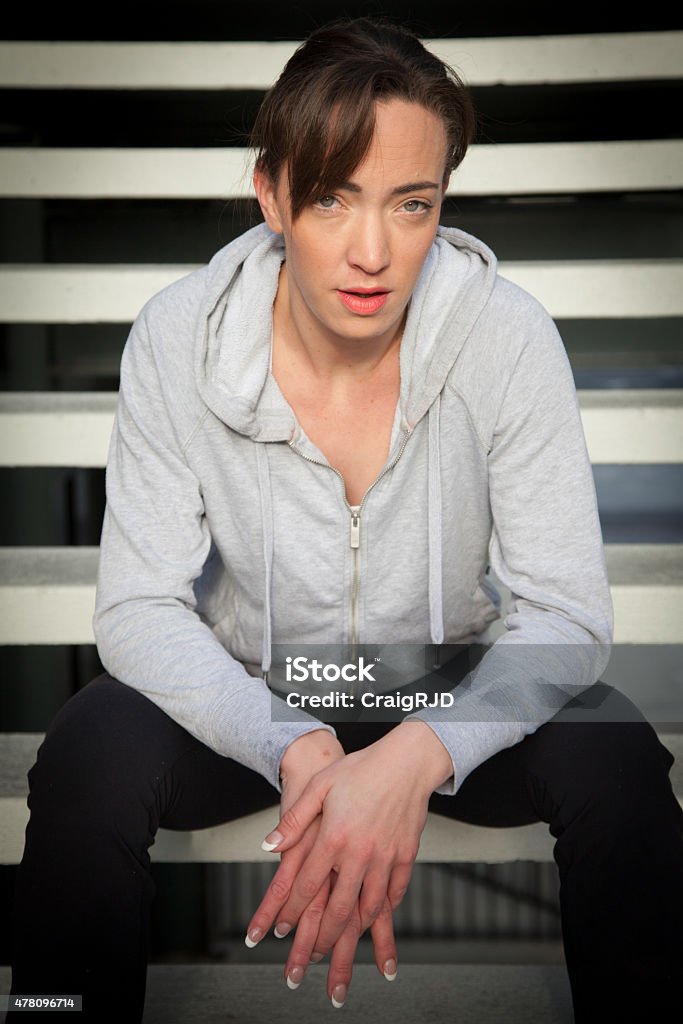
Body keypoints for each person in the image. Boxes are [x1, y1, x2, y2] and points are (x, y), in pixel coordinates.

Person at [8, 16, 683, 1023]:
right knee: (82, 758)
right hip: (254, 678)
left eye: (411, 204)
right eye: (332, 197)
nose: (373, 252)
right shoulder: (176, 339)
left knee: (620, 763)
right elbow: (139, 607)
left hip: (442, 673)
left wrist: (417, 751)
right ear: (270, 194)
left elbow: (565, 616)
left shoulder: (504, 337)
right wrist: (290, 736)